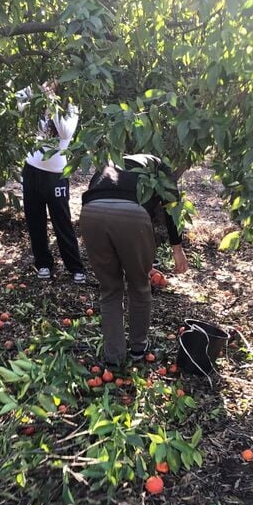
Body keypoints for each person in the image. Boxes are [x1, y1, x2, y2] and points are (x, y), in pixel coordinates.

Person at [80, 154, 189, 365]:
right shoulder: (158, 165)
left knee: (110, 288)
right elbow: (171, 209)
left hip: (91, 213)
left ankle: (114, 357)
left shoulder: (110, 161)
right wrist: (177, 248)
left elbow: (91, 192)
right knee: (139, 285)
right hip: (131, 215)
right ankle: (138, 349)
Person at [16, 81, 86, 283]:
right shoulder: (38, 102)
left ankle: (75, 267)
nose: (50, 83)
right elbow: (19, 98)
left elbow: (65, 133)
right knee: (34, 220)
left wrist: (51, 99)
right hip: (32, 170)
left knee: (62, 221)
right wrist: (33, 91)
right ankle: (43, 263)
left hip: (55, 174)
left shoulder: (71, 106)